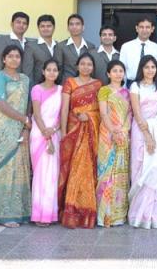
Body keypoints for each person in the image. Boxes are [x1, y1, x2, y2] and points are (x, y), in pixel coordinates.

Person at [0, 45, 32, 227]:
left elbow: (27, 104)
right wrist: (24, 119)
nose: (14, 59)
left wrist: (26, 127)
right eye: (10, 56)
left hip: (20, 127)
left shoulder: (25, 79)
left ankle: (18, 212)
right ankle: (2, 214)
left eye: (17, 56)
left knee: (19, 169)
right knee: (4, 168)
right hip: (2, 128)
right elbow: (1, 103)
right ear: (3, 59)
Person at [58, 53, 102, 228]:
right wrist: (64, 132)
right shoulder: (70, 83)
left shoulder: (98, 84)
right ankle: (72, 210)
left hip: (91, 132)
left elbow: (100, 110)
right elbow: (65, 109)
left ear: (93, 67)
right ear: (77, 66)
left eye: (89, 64)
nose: (86, 67)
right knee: (75, 170)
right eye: (82, 64)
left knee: (88, 170)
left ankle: (87, 212)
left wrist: (89, 116)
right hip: (74, 131)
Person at [128, 56, 157, 229]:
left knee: (156, 169)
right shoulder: (135, 86)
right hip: (140, 131)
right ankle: (139, 214)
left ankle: (155, 213)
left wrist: (153, 133)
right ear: (141, 69)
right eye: (146, 67)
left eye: (153, 67)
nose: (150, 70)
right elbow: (137, 112)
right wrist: (146, 134)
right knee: (141, 168)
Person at [96, 60, 132, 227]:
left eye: (120, 71)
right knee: (106, 172)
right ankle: (105, 215)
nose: (118, 74)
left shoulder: (127, 93)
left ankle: (118, 215)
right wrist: (113, 131)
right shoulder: (104, 90)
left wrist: (123, 131)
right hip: (107, 135)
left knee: (121, 173)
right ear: (108, 74)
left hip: (123, 135)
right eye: (115, 71)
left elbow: (129, 114)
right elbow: (103, 113)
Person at [29, 59, 62, 226]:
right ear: (43, 71)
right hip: (39, 134)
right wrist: (45, 133)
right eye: (48, 69)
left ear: (58, 73)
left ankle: (49, 213)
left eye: (55, 70)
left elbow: (61, 116)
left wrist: (53, 130)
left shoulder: (61, 91)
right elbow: (36, 114)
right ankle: (38, 214)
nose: (51, 72)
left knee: (52, 176)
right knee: (40, 175)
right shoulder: (36, 89)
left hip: (55, 133)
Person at [120, 16, 157, 86]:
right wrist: (123, 88)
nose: (144, 30)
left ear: (152, 29)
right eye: (141, 27)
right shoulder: (126, 46)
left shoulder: (156, 48)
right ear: (137, 28)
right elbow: (121, 68)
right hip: (130, 84)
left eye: (147, 27)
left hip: (150, 84)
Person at [0, 12, 33, 78]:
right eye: (18, 22)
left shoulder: (29, 44)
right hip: (8, 82)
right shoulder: (2, 41)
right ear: (12, 24)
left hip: (25, 82)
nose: (21, 25)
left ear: (27, 26)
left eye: (24, 23)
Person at [58, 14, 97, 82]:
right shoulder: (60, 46)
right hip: (67, 84)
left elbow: (92, 69)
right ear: (68, 28)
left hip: (86, 85)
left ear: (83, 27)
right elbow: (58, 68)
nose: (74, 27)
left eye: (77, 24)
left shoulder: (91, 46)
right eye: (71, 24)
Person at [26, 15, 60, 87]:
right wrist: (32, 90)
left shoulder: (58, 46)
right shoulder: (31, 46)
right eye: (42, 26)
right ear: (38, 28)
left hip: (56, 88)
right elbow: (28, 72)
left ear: (54, 28)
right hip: (38, 88)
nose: (46, 29)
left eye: (49, 26)